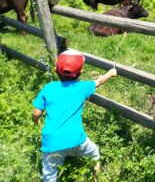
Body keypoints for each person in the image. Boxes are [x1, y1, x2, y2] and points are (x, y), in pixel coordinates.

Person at [32, 49, 117, 182]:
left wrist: (35, 121)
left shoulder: (48, 88)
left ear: (55, 69)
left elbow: (36, 113)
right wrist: (111, 73)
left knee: (49, 175)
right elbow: (99, 81)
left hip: (52, 142)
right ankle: (95, 178)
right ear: (80, 72)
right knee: (94, 153)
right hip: (76, 140)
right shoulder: (82, 87)